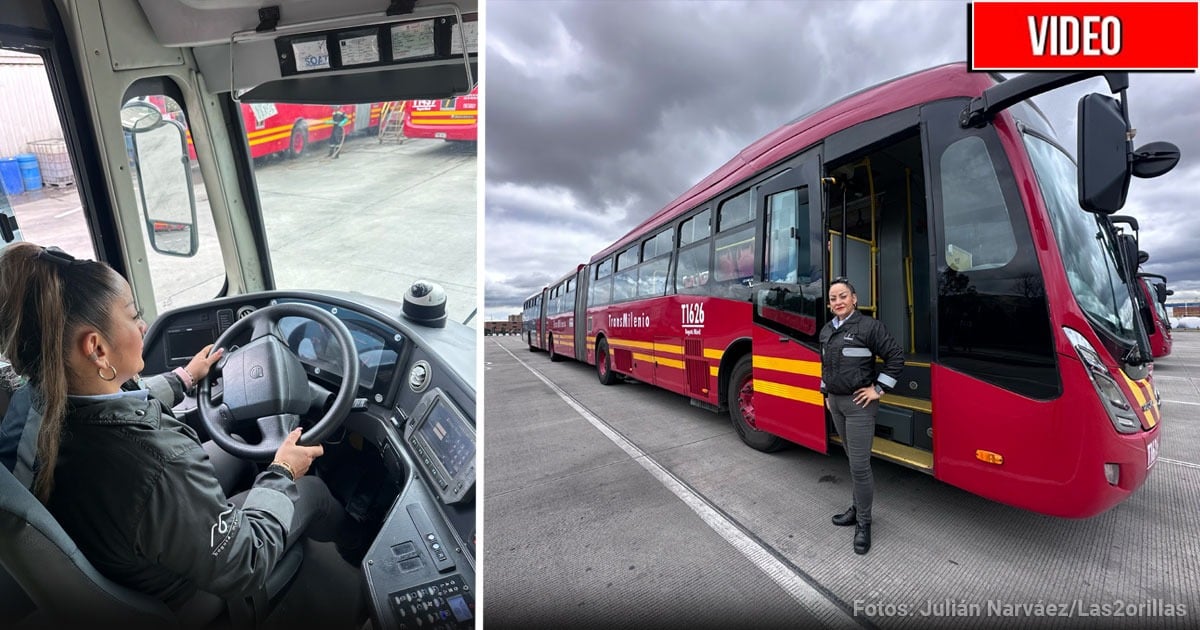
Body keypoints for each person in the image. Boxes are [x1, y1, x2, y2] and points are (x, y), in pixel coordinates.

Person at [0, 242, 361, 616]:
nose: (142, 325)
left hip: (113, 545)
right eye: (133, 314)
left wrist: (183, 378)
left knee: (234, 442)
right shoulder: (156, 463)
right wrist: (282, 472)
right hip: (179, 590)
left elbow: (119, 400)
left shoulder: (35, 402)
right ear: (96, 348)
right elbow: (244, 565)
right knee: (312, 490)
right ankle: (358, 547)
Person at [818, 277, 903, 555]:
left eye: (843, 296)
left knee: (860, 466)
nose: (838, 302)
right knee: (852, 462)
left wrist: (878, 388)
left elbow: (895, 357)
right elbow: (825, 366)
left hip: (859, 406)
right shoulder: (826, 331)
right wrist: (827, 394)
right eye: (833, 298)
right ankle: (856, 509)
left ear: (854, 298)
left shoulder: (870, 327)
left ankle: (864, 524)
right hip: (837, 403)